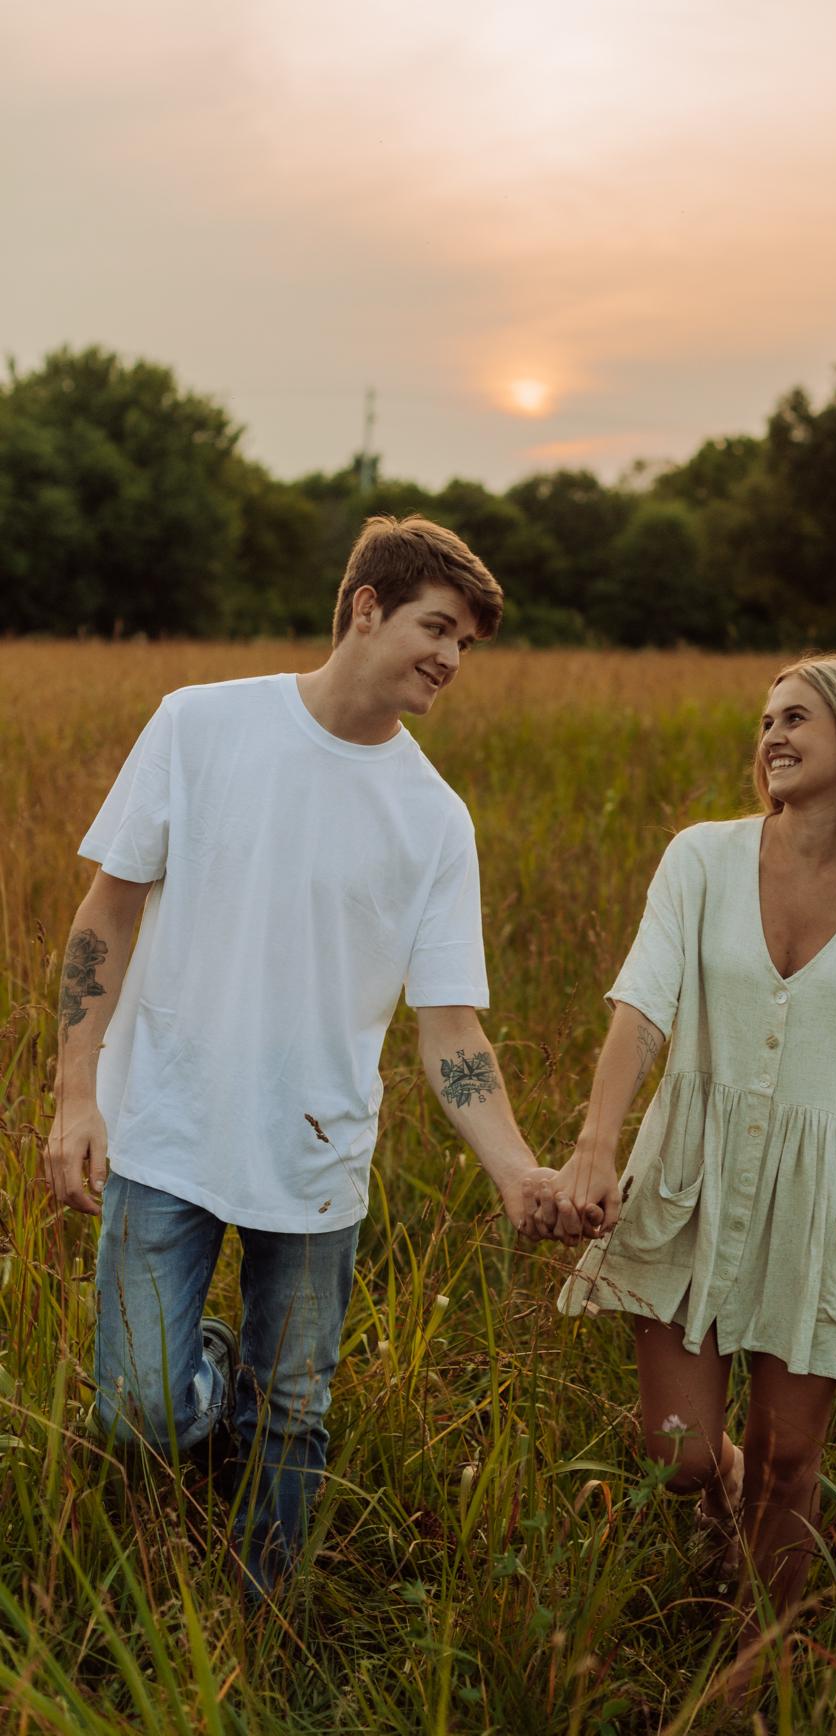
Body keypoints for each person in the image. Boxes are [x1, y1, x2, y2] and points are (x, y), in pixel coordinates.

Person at [44, 514, 559, 1596]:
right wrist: (76, 1095)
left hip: (317, 1157)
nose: (452, 659)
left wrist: (514, 1168)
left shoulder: (435, 819)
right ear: (366, 607)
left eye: (466, 644)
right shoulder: (200, 724)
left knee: (292, 1412)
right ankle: (208, 1368)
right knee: (138, 1409)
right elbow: (107, 913)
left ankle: (261, 1620)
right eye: (438, 627)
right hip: (168, 1125)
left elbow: (451, 1028)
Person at [542, 653, 836, 1669]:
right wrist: (596, 1144)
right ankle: (721, 1503)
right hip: (688, 1178)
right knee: (680, 1454)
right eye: (765, 721)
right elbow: (640, 1004)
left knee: (790, 1459)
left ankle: (756, 1660)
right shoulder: (700, 857)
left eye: (795, 719)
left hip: (824, 1204)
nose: (771, 736)